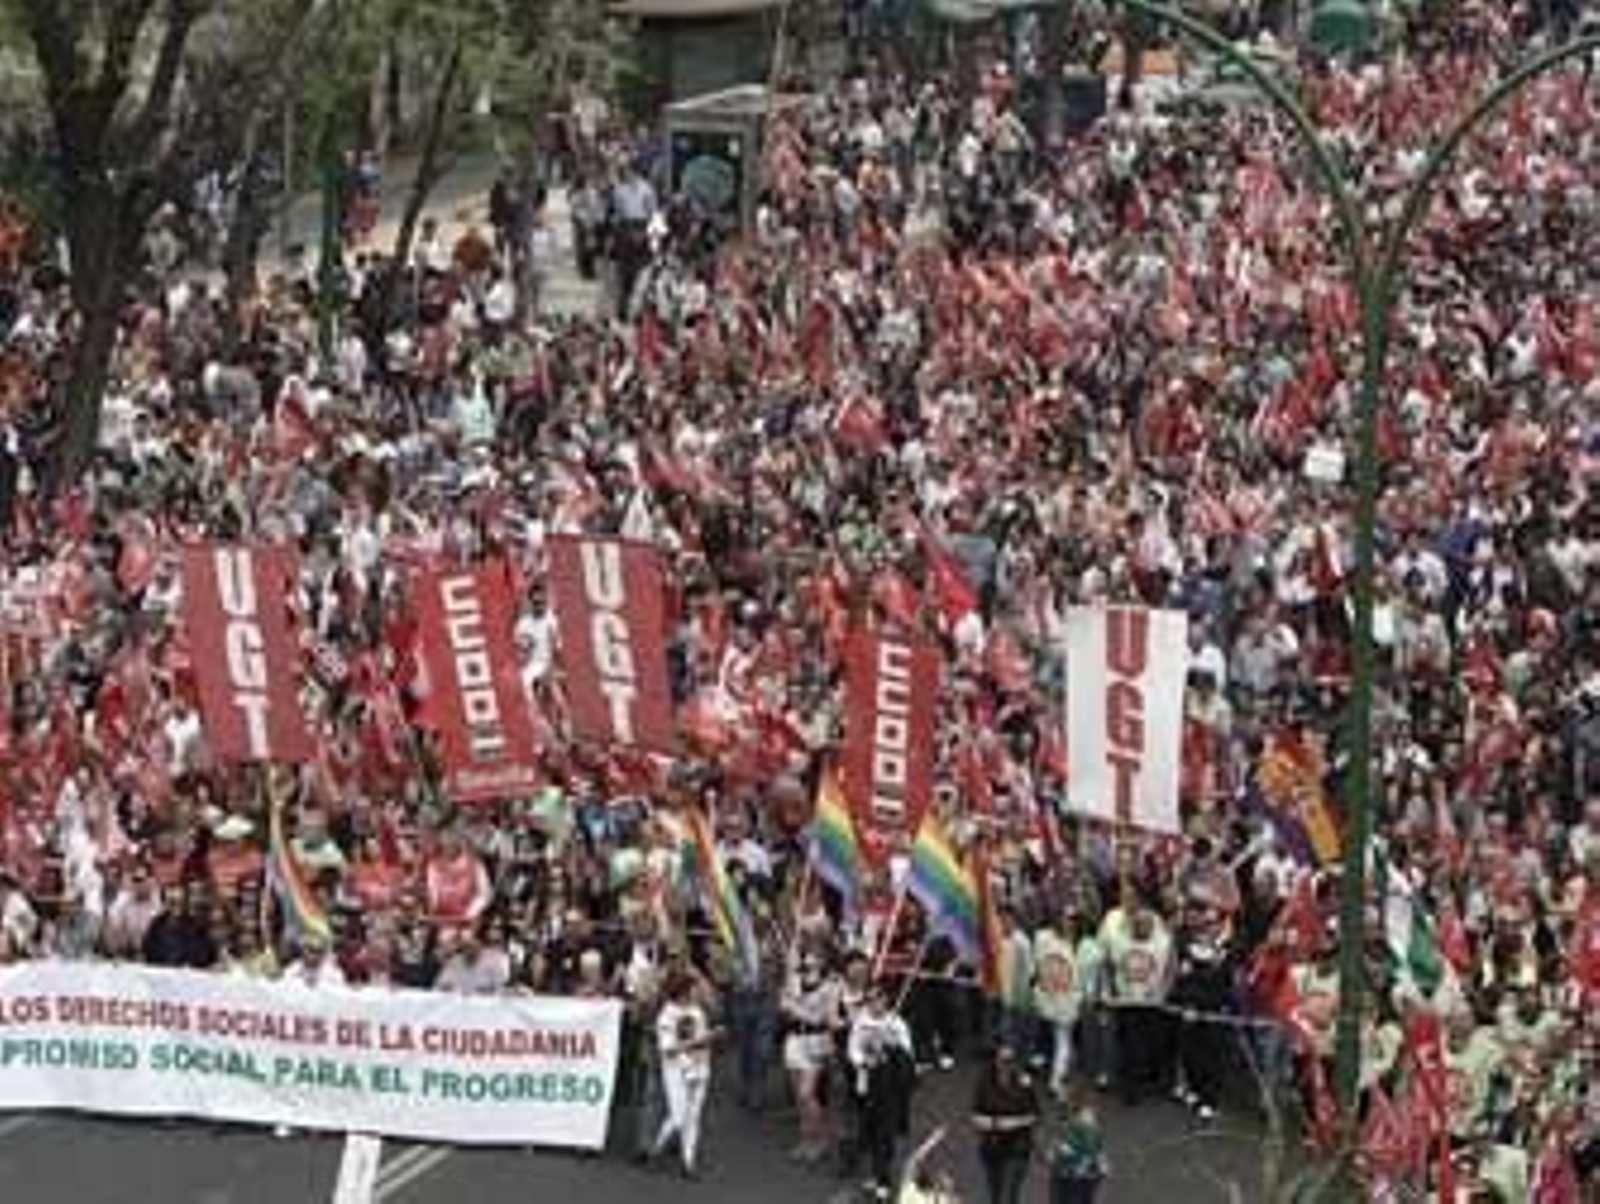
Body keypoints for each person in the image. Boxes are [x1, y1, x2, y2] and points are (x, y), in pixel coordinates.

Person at [849, 982, 916, 1202]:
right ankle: (874, 1172)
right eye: (870, 999)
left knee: (884, 1135)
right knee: (868, 1132)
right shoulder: (861, 1021)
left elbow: (908, 1057)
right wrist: (864, 1061)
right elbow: (853, 1050)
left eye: (878, 998)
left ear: (886, 1000)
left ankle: (883, 1178)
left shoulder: (897, 1024)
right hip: (866, 1086)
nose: (873, 1003)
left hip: (889, 1091)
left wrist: (891, 1046)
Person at [651, 968, 716, 1178]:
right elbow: (667, 1049)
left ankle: (688, 1163)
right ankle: (657, 1148)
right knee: (678, 1116)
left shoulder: (698, 1011)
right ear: (683, 991)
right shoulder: (666, 1015)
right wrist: (702, 1041)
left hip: (699, 1067)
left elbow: (702, 1037)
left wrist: (709, 1041)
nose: (698, 992)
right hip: (675, 1069)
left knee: (694, 1116)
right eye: (694, 988)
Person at [781, 942, 842, 1159]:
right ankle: (806, 1139)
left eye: (817, 955)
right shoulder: (794, 978)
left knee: (808, 1094)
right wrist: (791, 1006)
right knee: (799, 1097)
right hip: (794, 1040)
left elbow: (830, 1016)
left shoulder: (832, 984)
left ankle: (822, 1138)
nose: (811, 958)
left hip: (816, 1041)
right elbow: (784, 1005)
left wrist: (840, 1024)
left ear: (825, 959)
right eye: (808, 954)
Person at [971, 1043, 1039, 1204]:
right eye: (1001, 1059)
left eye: (1009, 1060)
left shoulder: (1024, 1081)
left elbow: (1036, 1115)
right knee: (995, 1195)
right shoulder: (985, 1080)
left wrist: (1013, 1122)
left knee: (1008, 1197)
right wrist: (995, 1123)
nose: (1005, 1064)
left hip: (1018, 1147)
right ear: (995, 1059)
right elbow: (975, 1116)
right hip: (992, 1148)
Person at [1049, 1085, 1109, 1204]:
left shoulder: (1086, 1120)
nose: (1060, 1101)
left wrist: (1081, 1166)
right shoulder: (1064, 1120)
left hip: (1076, 1176)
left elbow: (1092, 1148)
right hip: (1066, 1173)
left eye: (1063, 1098)